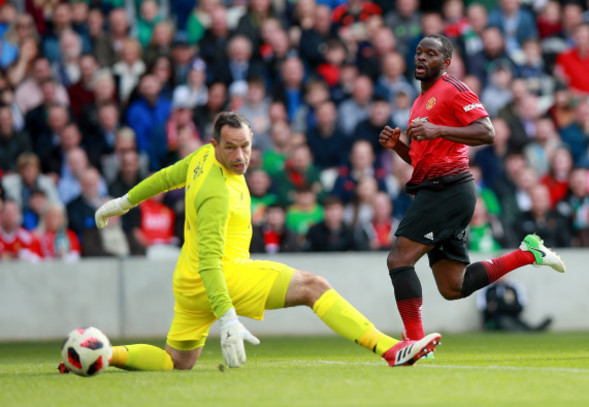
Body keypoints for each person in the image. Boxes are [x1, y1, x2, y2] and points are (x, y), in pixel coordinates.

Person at [81, 112, 439, 373]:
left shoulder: (202, 159)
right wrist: (229, 319)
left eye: (246, 147)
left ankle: (104, 354)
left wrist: (124, 202)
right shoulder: (216, 194)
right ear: (214, 145)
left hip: (188, 284)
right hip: (221, 278)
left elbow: (167, 177)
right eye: (231, 148)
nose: (240, 156)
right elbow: (211, 263)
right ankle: (390, 349)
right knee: (314, 286)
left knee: (176, 362)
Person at [377, 34, 566, 342]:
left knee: (399, 259)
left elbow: (487, 132)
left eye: (431, 54)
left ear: (446, 63)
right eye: (418, 52)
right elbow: (420, 158)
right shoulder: (419, 102)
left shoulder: (454, 89)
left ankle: (413, 341)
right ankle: (527, 253)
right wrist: (397, 145)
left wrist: (437, 129)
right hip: (439, 187)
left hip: (448, 189)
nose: (421, 58)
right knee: (454, 286)